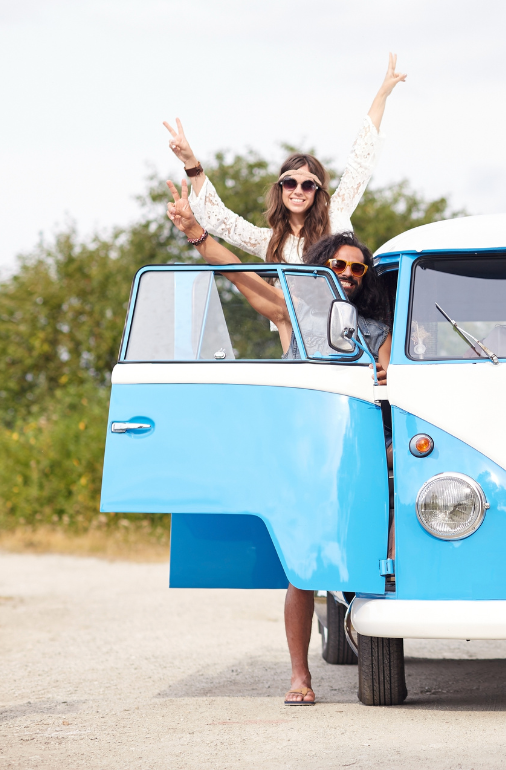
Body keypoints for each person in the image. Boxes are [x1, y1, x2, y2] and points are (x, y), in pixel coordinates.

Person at [166, 179, 392, 706]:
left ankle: (373, 635)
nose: (349, 275)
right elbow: (243, 275)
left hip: (358, 456)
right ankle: (300, 676)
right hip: (305, 456)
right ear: (321, 270)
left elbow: (386, 378)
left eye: (358, 269)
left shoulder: (378, 330)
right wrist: (198, 234)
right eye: (339, 266)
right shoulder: (296, 316)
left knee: (378, 556)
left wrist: (381, 380)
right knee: (301, 571)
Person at [163, 53, 406, 264]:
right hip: (286, 319)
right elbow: (219, 218)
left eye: (307, 184)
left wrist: (383, 93)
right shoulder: (269, 242)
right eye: (290, 183)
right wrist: (190, 161)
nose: (298, 190)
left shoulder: (336, 216)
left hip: (338, 318)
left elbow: (360, 162)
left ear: (317, 191)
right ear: (281, 188)